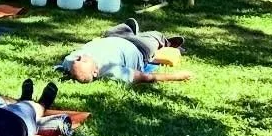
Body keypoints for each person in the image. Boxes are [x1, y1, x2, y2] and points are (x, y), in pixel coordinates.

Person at [58, 20, 192, 84]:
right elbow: (146, 77)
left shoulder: (70, 62)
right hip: (139, 48)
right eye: (83, 61)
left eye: (78, 59)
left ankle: (131, 30)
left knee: (119, 27)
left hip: (113, 36)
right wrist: (177, 76)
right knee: (155, 36)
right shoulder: (112, 71)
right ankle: (166, 42)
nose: (81, 57)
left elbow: (66, 66)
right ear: (95, 72)